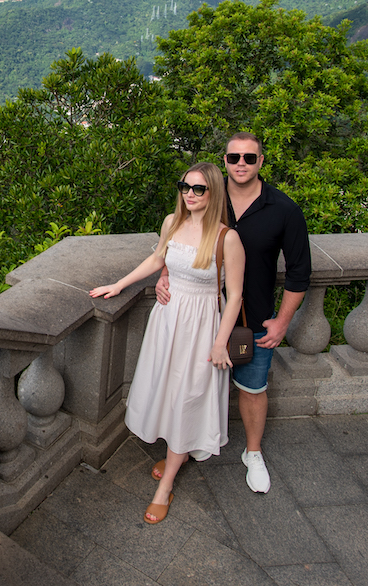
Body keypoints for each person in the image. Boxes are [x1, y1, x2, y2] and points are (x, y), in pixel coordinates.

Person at [157, 133, 311, 494]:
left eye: (249, 157)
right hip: (200, 317)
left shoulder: (284, 210)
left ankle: (252, 453)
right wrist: (165, 274)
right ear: (224, 161)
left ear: (261, 161)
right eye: (233, 157)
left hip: (250, 320)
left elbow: (300, 272)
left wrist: (282, 321)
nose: (241, 163)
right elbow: (177, 240)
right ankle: (185, 447)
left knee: (252, 388)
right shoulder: (207, 195)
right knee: (191, 386)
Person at [91, 162, 245, 524]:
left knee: (188, 397)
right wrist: (119, 284)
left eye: (198, 189)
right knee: (166, 390)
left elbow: (235, 295)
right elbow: (159, 258)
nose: (189, 194)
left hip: (202, 325)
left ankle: (166, 485)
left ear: (213, 193)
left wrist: (220, 342)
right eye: (185, 186)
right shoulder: (172, 222)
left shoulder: (227, 239)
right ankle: (179, 451)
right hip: (168, 320)